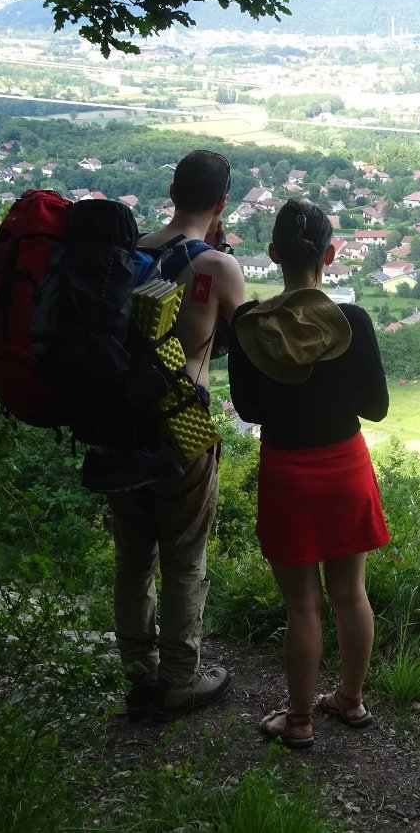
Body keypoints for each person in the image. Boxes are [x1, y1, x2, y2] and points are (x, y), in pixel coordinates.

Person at [228, 199, 390, 748]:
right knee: (351, 593)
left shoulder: (249, 325)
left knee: (301, 604)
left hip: (287, 474)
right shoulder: (353, 320)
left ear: (273, 254)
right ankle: (350, 699)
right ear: (332, 253)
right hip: (345, 467)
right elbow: (377, 407)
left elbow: (248, 411)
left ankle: (299, 720)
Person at [109, 149, 247, 722]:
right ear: (221, 202)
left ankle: (139, 674)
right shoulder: (216, 266)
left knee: (132, 558)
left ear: (171, 191)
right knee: (184, 557)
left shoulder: (128, 252)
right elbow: (243, 341)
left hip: (117, 424)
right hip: (180, 427)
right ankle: (179, 680)